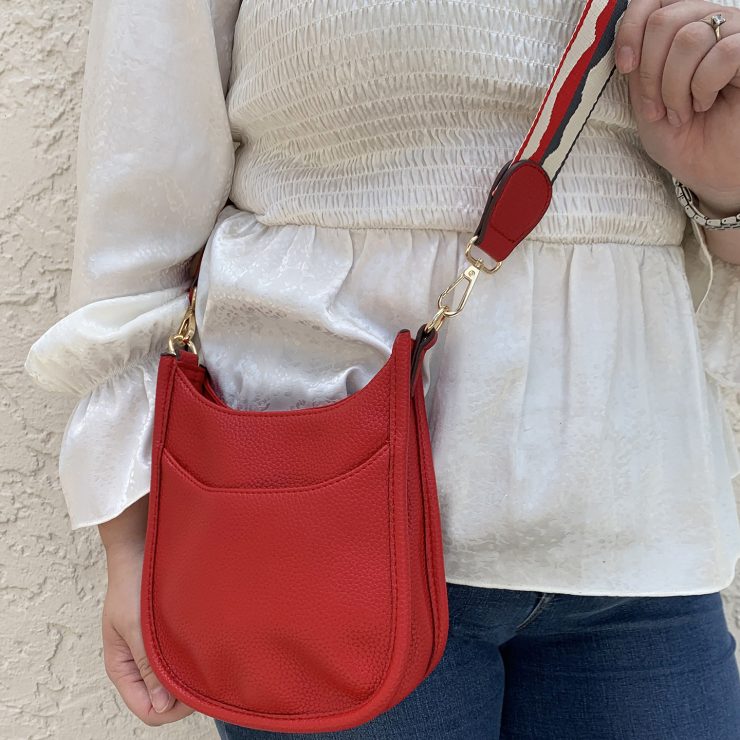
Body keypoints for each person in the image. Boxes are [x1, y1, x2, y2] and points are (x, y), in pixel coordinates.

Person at [24, 0, 740, 737]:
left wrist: (724, 185)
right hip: (312, 518)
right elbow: (140, 186)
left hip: (642, 521)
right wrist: (132, 533)